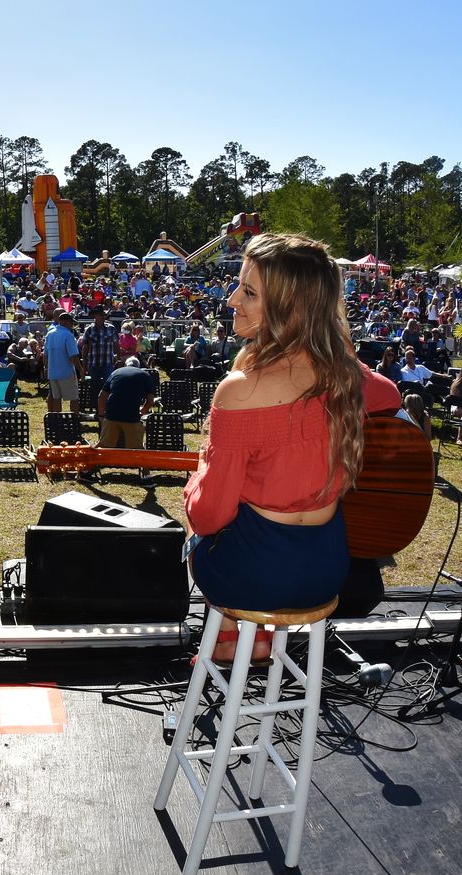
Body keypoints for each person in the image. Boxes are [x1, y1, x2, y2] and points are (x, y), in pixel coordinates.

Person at [184, 233, 369, 663]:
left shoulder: (240, 391)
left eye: (248, 292)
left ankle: (229, 634)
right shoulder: (346, 377)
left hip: (255, 577)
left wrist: (197, 477)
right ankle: (254, 638)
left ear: (291, 309)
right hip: (326, 570)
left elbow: (210, 515)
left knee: (199, 522)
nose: (232, 300)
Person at [100, 356, 158, 469]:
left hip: (112, 415)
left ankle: (89, 468)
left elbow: (101, 396)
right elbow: (150, 400)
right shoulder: (145, 375)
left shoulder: (115, 373)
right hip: (131, 417)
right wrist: (142, 411)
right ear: (138, 366)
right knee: (138, 450)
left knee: (103, 445)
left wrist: (102, 415)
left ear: (125, 365)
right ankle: (146, 474)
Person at [44, 312, 82, 413]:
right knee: (74, 398)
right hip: (66, 373)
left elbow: (45, 355)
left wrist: (46, 369)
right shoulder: (68, 335)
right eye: (71, 323)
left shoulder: (49, 334)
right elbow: (73, 356)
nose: (72, 325)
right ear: (67, 322)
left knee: (56, 399)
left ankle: (57, 420)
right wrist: (81, 371)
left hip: (53, 373)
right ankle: (75, 419)